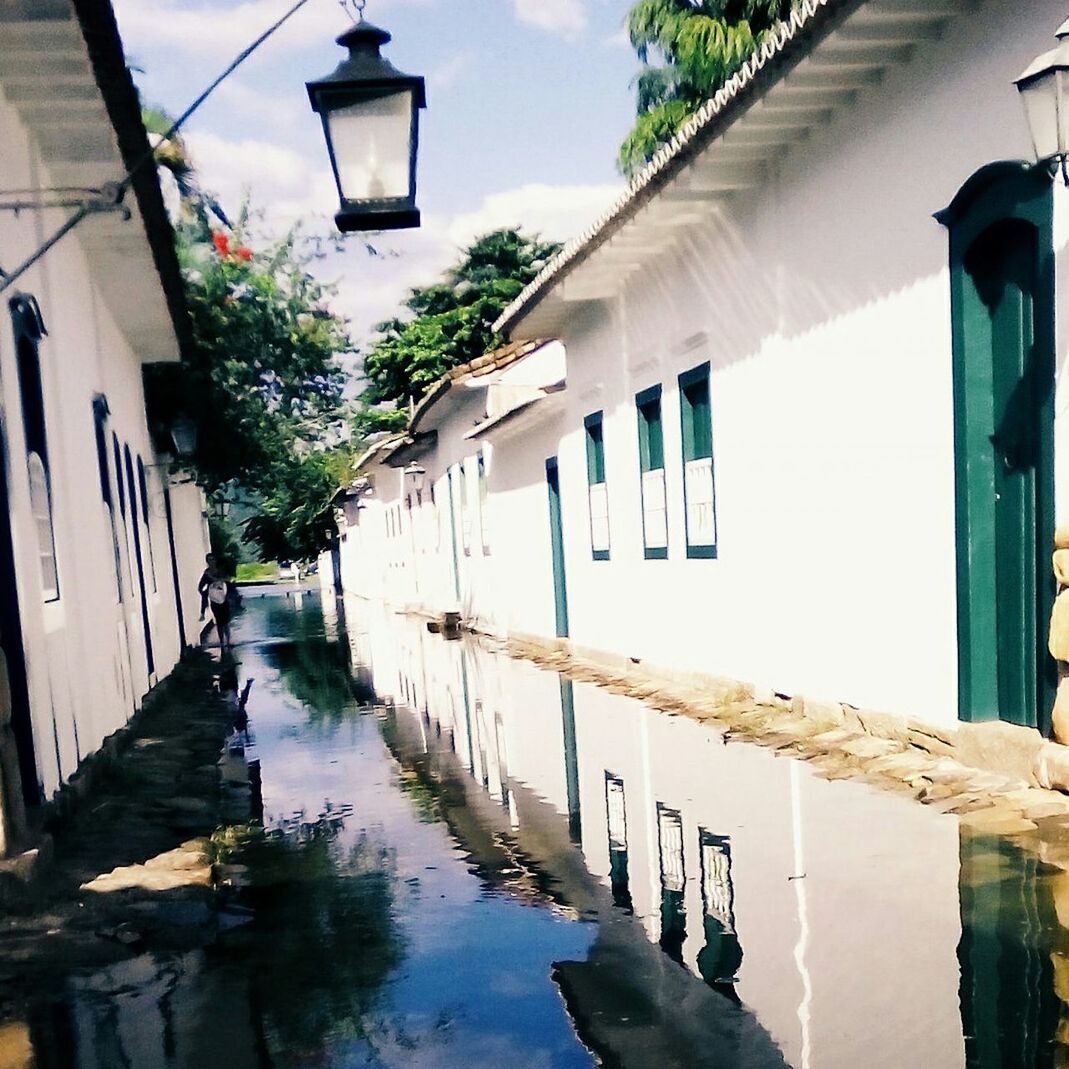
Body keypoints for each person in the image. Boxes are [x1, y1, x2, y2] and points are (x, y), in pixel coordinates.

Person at [197, 554, 233, 649]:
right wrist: (205, 594)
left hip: (224, 599)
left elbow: (228, 579)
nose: (211, 562)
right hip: (214, 601)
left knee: (226, 621)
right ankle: (222, 642)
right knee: (219, 622)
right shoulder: (206, 573)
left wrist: (219, 581)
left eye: (213, 559)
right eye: (209, 560)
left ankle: (228, 641)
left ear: (215, 560)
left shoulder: (221, 571)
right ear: (207, 562)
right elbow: (200, 586)